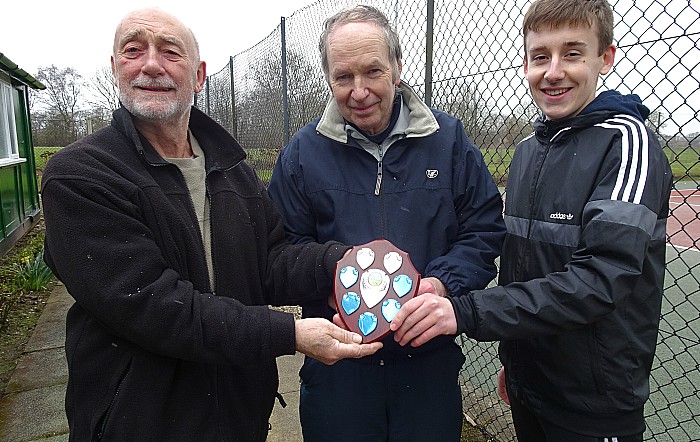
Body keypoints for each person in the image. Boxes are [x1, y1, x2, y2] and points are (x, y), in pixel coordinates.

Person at [41, 8, 382, 441]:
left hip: (239, 417)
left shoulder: (232, 170)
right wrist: (290, 333)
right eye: (133, 50)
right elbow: (157, 306)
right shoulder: (81, 176)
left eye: (170, 51)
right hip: (139, 424)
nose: (150, 64)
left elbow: (271, 263)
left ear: (199, 75)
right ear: (114, 68)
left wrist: (344, 262)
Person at [390, 0, 673, 440]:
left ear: (606, 57)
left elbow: (600, 279)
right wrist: (514, 361)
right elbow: (520, 269)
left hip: (592, 402)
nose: (554, 71)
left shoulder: (628, 142)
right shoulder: (527, 150)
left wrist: (464, 311)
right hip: (528, 386)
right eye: (541, 56)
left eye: (573, 54)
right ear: (525, 63)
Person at [267, 5, 506, 441]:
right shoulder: (301, 155)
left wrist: (440, 286)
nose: (359, 92)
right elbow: (277, 254)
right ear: (329, 78)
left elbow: (484, 230)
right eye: (343, 77)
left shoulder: (449, 142)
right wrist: (334, 278)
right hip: (338, 368)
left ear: (397, 67)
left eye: (373, 71)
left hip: (427, 365)